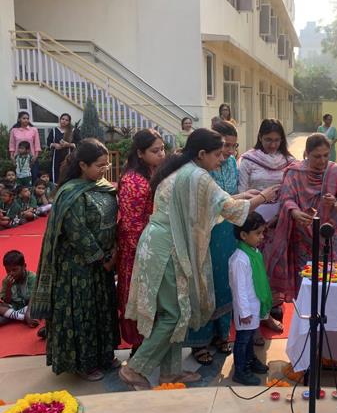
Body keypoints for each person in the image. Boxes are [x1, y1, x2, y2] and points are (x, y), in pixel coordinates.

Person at [119, 128, 277, 390]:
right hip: (168, 247)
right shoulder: (198, 175)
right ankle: (135, 369)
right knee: (174, 314)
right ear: (202, 153)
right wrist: (263, 197)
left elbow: (211, 204)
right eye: (218, 154)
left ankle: (170, 373)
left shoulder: (184, 169)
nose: (223, 159)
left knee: (175, 312)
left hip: (161, 243)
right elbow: (229, 210)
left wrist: (242, 196)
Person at [30, 138, 119, 381]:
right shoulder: (70, 193)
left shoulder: (102, 186)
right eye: (99, 165)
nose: (105, 169)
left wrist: (113, 252)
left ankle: (104, 355)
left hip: (104, 264)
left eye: (107, 164)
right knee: (84, 312)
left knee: (103, 309)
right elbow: (78, 232)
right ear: (82, 165)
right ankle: (84, 363)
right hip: (77, 268)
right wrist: (102, 258)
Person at [186, 121, 274, 364]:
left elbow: (228, 197)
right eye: (225, 146)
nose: (230, 151)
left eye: (234, 146)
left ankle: (222, 334)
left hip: (229, 229)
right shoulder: (200, 170)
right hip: (207, 231)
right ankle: (199, 342)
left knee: (228, 281)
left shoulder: (232, 164)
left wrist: (242, 197)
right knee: (206, 283)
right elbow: (212, 203)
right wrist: (258, 197)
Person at [266, 133, 337, 302]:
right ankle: (306, 317)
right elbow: (286, 198)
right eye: (317, 156)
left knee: (331, 282)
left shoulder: (336, 172)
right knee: (305, 283)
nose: (322, 160)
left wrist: (336, 203)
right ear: (306, 153)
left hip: (329, 239)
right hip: (302, 239)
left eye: (326, 155)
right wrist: (295, 212)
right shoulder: (295, 172)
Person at [238, 119, 295, 339]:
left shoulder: (289, 161)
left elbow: (292, 191)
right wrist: (253, 221)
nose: (272, 144)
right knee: (254, 272)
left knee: (275, 267)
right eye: (268, 139)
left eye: (277, 140)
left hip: (280, 223)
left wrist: (281, 215)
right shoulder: (248, 160)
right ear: (260, 137)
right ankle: (254, 316)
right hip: (253, 224)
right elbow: (242, 191)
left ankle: (271, 307)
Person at [116, 129, 166, 352]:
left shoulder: (153, 171)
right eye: (155, 151)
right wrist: (147, 253)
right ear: (140, 153)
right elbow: (131, 224)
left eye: (163, 149)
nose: (161, 154)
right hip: (138, 250)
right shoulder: (133, 181)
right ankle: (139, 348)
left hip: (153, 243)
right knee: (137, 297)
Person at [229, 212, 272, 385]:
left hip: (254, 305)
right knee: (242, 340)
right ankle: (240, 371)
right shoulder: (239, 260)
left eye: (262, 232)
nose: (262, 237)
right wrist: (244, 312)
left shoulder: (254, 253)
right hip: (245, 309)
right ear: (243, 235)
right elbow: (239, 290)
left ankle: (250, 361)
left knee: (250, 337)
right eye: (258, 233)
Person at [0, 250, 39, 327]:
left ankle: (15, 316)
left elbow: (33, 298)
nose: (11, 273)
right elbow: (6, 302)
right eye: (8, 271)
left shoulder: (32, 278)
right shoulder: (6, 281)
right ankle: (22, 317)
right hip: (13, 308)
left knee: (38, 306)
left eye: (14, 270)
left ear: (24, 266)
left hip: (28, 306)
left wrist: (28, 312)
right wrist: (8, 287)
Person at [47, 113, 79, 184]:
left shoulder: (73, 131)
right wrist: (55, 145)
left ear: (69, 122)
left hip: (69, 157)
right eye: (63, 119)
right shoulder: (54, 130)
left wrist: (68, 144)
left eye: (66, 120)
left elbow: (78, 143)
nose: (64, 121)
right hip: (56, 157)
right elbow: (49, 142)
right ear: (60, 120)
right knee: (56, 173)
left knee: (68, 172)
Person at [9, 112, 41, 184]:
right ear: (19, 119)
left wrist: (35, 156)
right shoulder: (14, 130)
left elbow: (37, 144)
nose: (26, 120)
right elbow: (12, 145)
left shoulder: (34, 130)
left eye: (27, 118)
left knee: (33, 177)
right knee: (20, 179)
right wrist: (12, 156)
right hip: (18, 159)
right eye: (24, 118)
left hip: (31, 158)